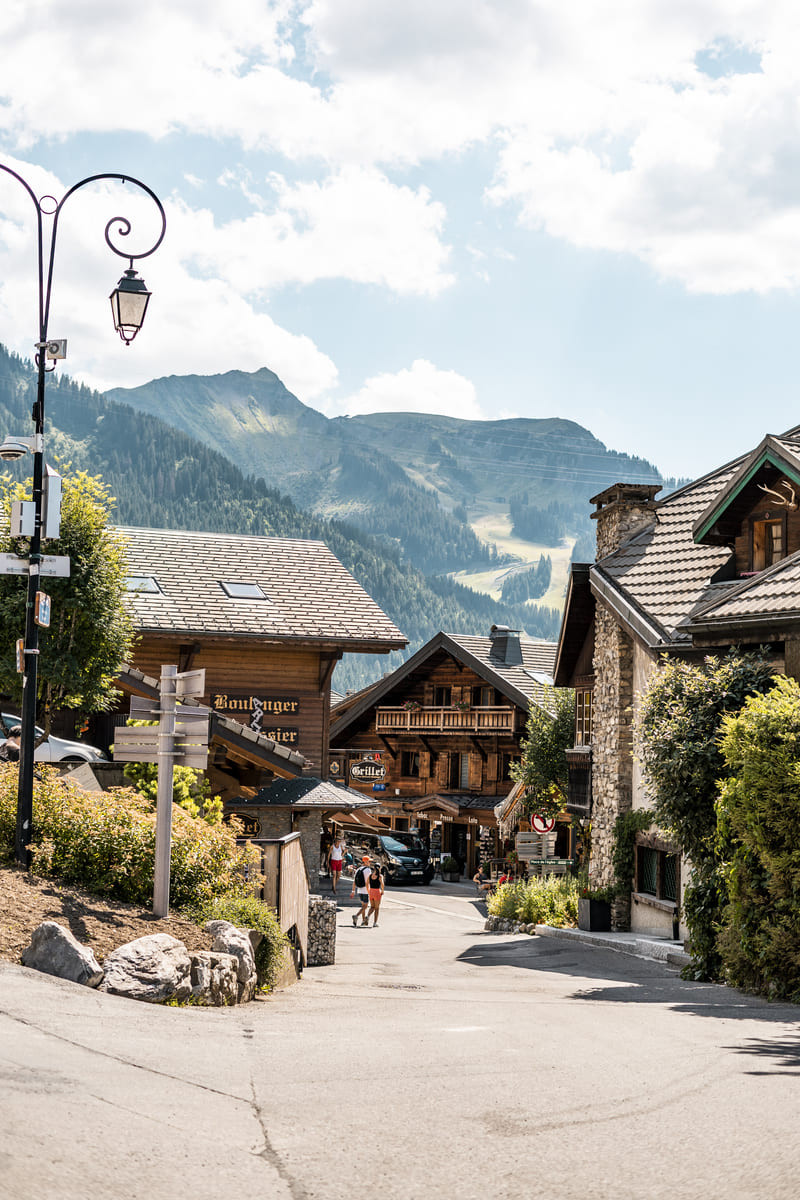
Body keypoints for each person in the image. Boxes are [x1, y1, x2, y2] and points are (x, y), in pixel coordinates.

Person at [351, 856, 371, 926]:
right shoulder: (368, 870)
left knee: (363, 906)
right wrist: (369, 891)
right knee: (365, 907)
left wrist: (353, 891)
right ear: (365, 862)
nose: (370, 863)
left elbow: (354, 881)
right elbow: (367, 882)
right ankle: (356, 916)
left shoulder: (358, 869)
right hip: (365, 890)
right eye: (369, 861)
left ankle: (363, 921)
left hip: (359, 890)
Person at [366, 861, 385, 927]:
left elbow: (367, 883)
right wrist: (382, 891)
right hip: (377, 892)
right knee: (377, 908)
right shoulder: (380, 876)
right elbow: (382, 884)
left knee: (372, 907)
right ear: (379, 868)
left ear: (374, 868)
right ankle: (375, 923)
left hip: (371, 891)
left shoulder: (370, 875)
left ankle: (367, 916)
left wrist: (368, 890)